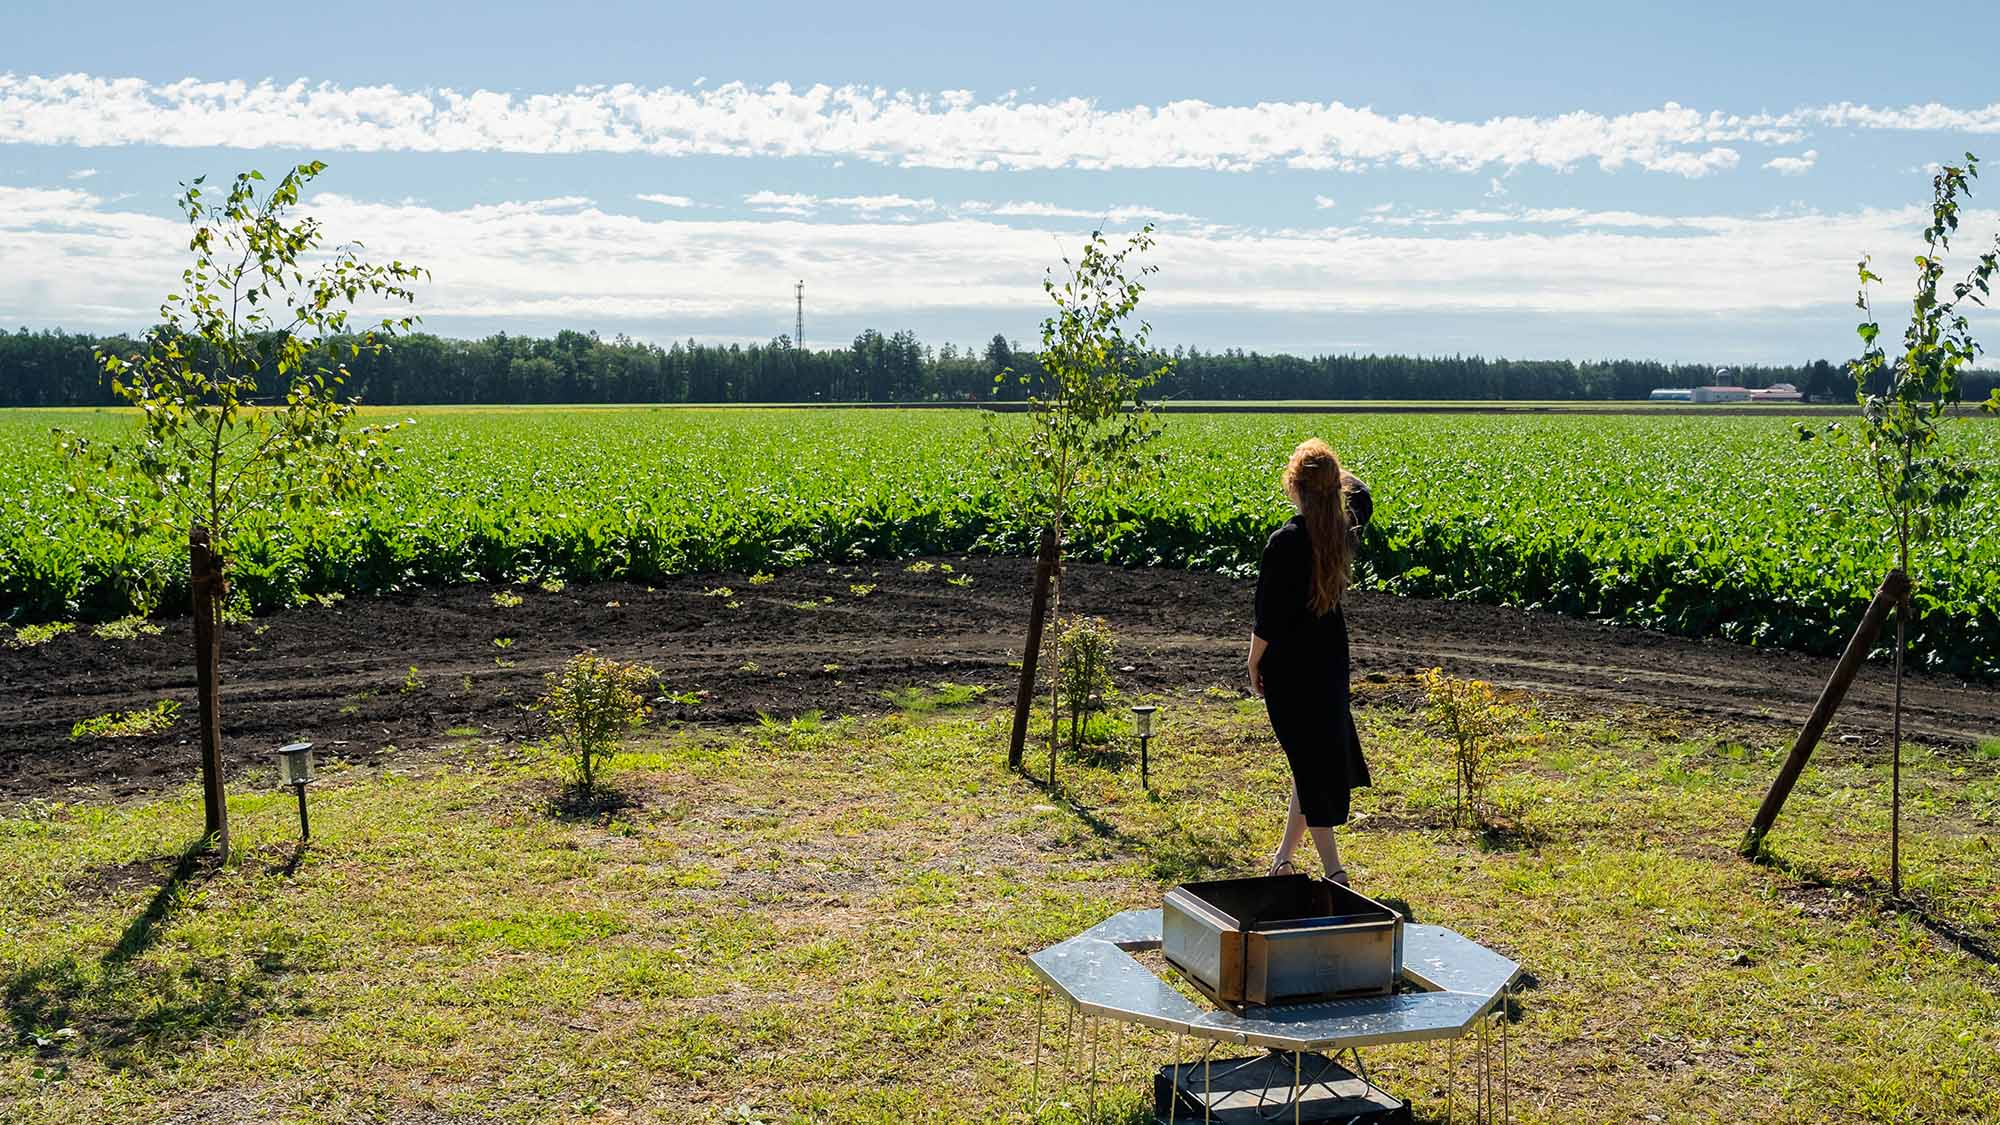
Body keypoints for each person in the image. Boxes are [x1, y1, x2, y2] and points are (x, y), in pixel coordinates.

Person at [1248, 437, 1373, 885]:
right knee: (1310, 760)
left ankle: (1334, 870)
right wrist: (1330, 478)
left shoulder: (1284, 542)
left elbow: (1268, 618)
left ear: (1293, 486)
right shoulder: (1341, 531)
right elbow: (1363, 495)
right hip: (1329, 662)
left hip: (1290, 669)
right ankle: (1282, 859)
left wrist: (1253, 663)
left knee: (1308, 765)